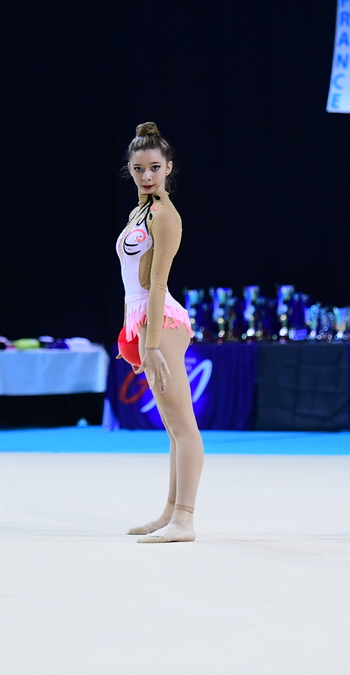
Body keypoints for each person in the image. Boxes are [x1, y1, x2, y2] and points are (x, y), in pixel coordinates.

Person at [117, 122, 204, 543]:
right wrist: (134, 336)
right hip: (144, 320)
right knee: (172, 427)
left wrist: (150, 345)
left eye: (154, 167)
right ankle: (169, 513)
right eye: (139, 169)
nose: (147, 176)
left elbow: (156, 284)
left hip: (161, 322)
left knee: (182, 426)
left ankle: (184, 520)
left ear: (169, 167)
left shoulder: (165, 216)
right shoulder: (140, 213)